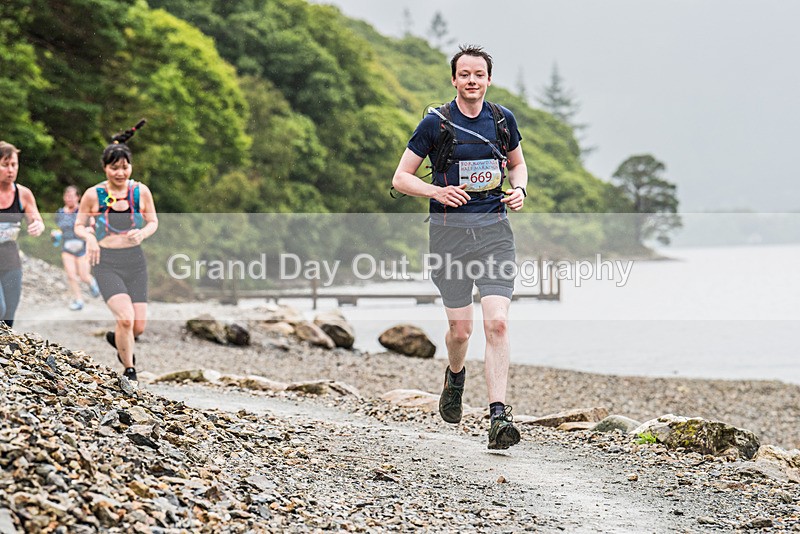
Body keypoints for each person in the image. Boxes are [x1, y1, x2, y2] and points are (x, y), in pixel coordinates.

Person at [392, 45, 528, 449]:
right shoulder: (435, 124)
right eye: (464, 74)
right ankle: (455, 376)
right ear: (454, 79)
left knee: (497, 323)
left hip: (494, 233)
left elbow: (517, 163)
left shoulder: (503, 119)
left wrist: (519, 189)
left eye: (478, 74)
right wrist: (438, 190)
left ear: (488, 79)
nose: (472, 80)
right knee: (460, 329)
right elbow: (401, 178)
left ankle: (498, 418)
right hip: (449, 236)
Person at [74, 121, 158, 382]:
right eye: (114, 168)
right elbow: (79, 225)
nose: (120, 173)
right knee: (125, 319)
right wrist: (89, 237)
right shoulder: (93, 195)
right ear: (105, 168)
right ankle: (130, 371)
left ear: (130, 167)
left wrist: (142, 233)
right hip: (106, 261)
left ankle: (117, 340)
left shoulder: (140, 191)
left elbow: (153, 221)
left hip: (135, 262)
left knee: (138, 326)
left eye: (125, 167)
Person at [0, 141, 45, 328]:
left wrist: (37, 226)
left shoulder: (23, 194)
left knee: (9, 314)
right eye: (5, 164)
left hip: (11, 261)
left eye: (14, 165)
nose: (11, 170)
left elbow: (37, 220)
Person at [53, 185, 101, 310]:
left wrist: (89, 230)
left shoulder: (83, 211)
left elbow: (94, 226)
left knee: (84, 275)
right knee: (71, 276)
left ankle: (92, 283)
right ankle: (79, 300)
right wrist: (55, 234)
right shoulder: (60, 213)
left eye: (72, 196)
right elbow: (59, 228)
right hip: (67, 247)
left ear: (78, 197)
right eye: (67, 196)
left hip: (82, 247)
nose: (69, 199)